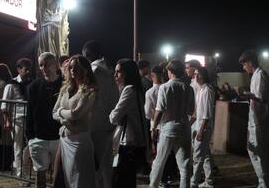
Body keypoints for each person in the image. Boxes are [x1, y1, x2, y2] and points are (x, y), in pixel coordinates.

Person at [53, 54, 97, 188]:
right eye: (71, 67)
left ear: (85, 69)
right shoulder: (66, 88)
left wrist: (61, 112)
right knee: (60, 179)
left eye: (76, 67)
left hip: (80, 141)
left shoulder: (90, 90)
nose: (73, 70)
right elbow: (53, 113)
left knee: (78, 180)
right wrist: (64, 120)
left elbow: (76, 114)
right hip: (65, 138)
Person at [149, 60, 195, 188]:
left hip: (168, 128)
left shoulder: (165, 87)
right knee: (184, 165)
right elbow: (191, 111)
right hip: (184, 127)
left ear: (171, 72)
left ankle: (153, 185)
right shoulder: (189, 88)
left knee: (159, 162)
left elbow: (159, 111)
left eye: (168, 71)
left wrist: (153, 128)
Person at [238, 51, 269, 188]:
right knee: (256, 150)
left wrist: (245, 94)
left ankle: (266, 183)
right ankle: (266, 181)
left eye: (244, 65)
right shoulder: (256, 75)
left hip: (260, 120)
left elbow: (260, 98)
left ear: (250, 62)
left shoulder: (260, 75)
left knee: (261, 152)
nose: (244, 68)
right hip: (257, 119)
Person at [82, 40, 119, 188]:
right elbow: (116, 97)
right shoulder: (110, 71)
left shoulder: (93, 72)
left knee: (94, 164)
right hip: (108, 122)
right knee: (106, 164)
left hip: (94, 124)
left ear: (88, 54)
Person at [26, 53, 62, 188]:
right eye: (41, 65)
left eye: (47, 64)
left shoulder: (65, 85)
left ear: (55, 65)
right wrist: (30, 137)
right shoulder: (33, 87)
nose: (43, 68)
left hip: (59, 137)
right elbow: (30, 112)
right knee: (40, 176)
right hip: (39, 137)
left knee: (59, 176)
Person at [109, 59, 147, 188]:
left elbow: (114, 117)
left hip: (129, 143)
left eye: (118, 72)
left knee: (120, 180)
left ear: (127, 74)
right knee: (127, 180)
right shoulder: (135, 89)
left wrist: (111, 112)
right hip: (134, 141)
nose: (115, 76)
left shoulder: (129, 90)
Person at [1, 58, 32, 177]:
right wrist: (7, 121)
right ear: (19, 70)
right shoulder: (11, 84)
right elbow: (4, 104)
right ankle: (20, 173)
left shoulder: (31, 83)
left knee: (31, 144)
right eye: (26, 69)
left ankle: (18, 165)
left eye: (30, 68)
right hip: (17, 118)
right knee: (17, 146)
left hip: (29, 118)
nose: (29, 71)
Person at [191, 66, 215, 188]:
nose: (195, 76)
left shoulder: (207, 90)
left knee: (198, 156)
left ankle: (193, 182)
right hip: (198, 126)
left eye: (198, 74)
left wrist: (201, 131)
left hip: (203, 128)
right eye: (194, 74)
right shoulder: (200, 89)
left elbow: (206, 115)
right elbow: (197, 111)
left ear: (204, 76)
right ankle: (209, 181)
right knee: (205, 156)